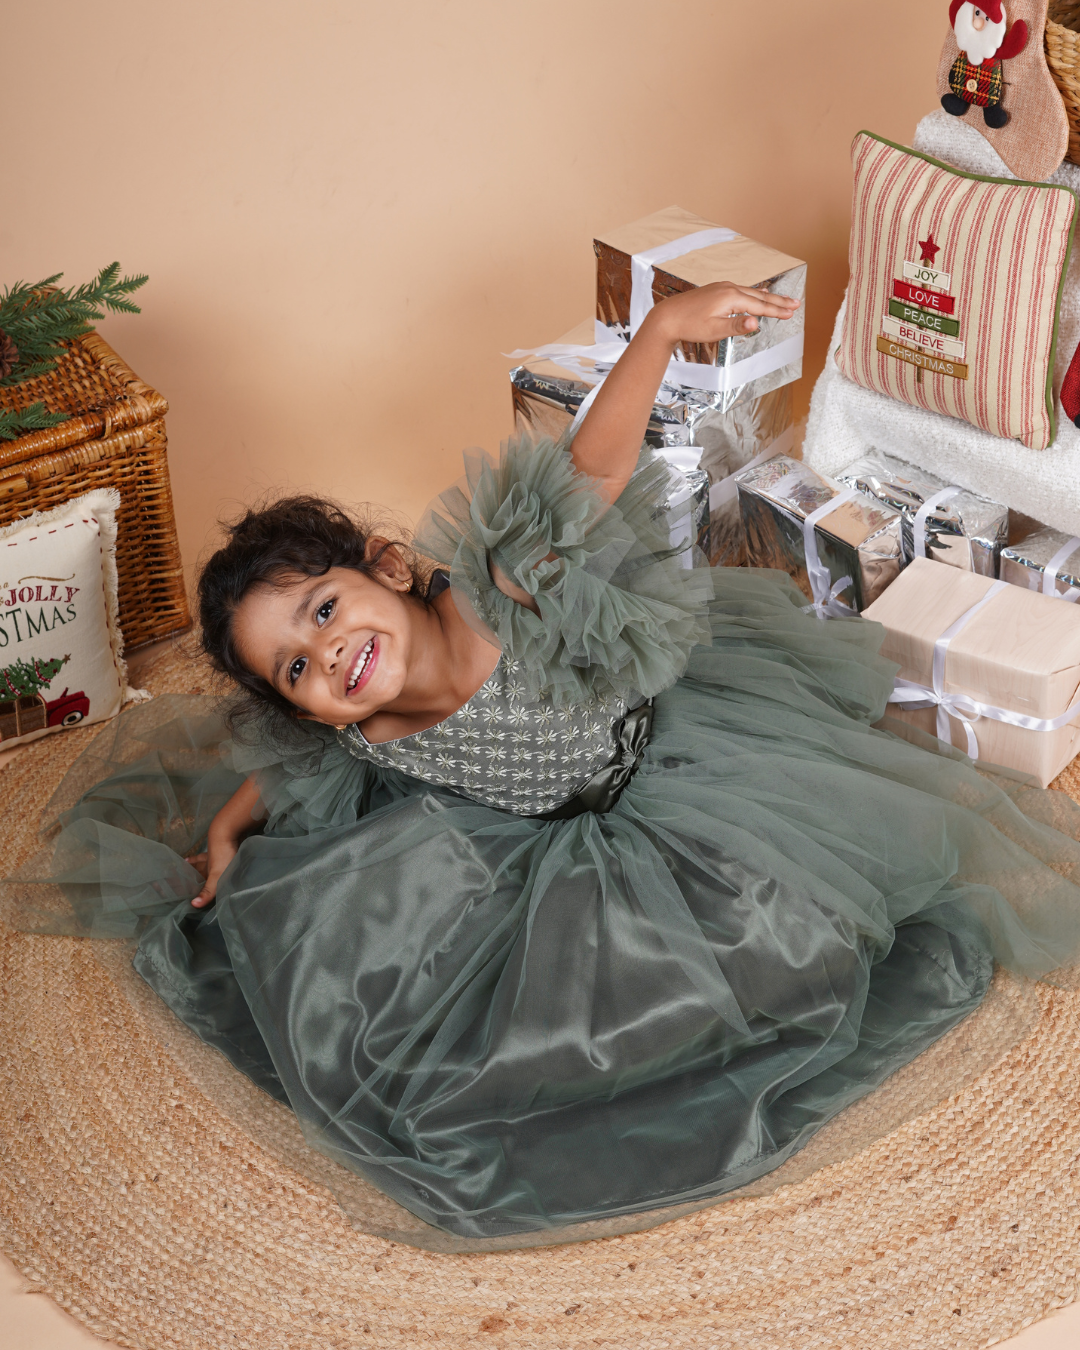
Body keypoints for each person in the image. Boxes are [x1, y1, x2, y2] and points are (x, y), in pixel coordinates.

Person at [8, 280, 1080, 1244]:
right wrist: (231, 826)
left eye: (323, 610)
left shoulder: (491, 596)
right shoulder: (357, 731)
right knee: (488, 1050)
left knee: (812, 939)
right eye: (295, 668)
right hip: (545, 864)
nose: (327, 652)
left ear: (384, 566)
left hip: (675, 776)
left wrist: (662, 329)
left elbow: (591, 468)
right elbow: (290, 771)